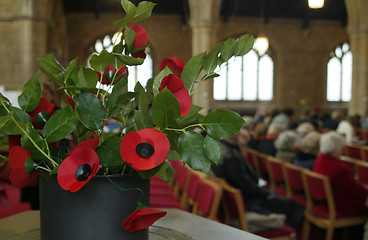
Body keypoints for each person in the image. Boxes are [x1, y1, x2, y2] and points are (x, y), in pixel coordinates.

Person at [210, 135, 305, 230]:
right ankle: (290, 232)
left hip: (236, 200)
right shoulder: (230, 156)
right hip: (245, 201)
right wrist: (266, 192)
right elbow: (246, 185)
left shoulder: (219, 148)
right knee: (293, 206)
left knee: (288, 203)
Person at [314, 131, 368, 217]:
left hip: (328, 202)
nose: (343, 151)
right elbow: (357, 192)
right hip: (342, 205)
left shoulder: (319, 160)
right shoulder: (339, 168)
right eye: (342, 148)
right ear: (336, 148)